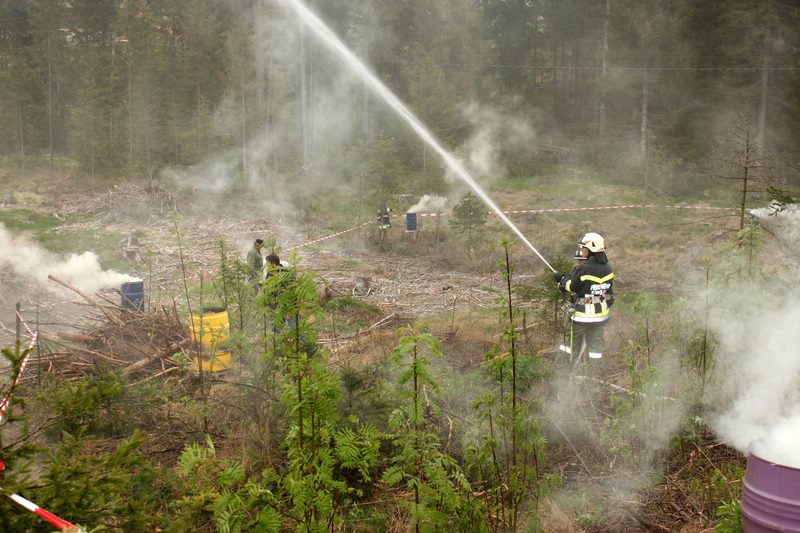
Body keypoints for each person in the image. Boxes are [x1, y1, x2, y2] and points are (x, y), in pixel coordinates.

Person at [553, 232, 614, 361]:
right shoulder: (608, 269)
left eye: (584, 248)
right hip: (600, 319)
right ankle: (593, 372)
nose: (582, 251)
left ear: (591, 249)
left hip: (581, 317)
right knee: (595, 352)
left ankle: (563, 371)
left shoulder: (584, 269)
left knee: (568, 348)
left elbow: (572, 287)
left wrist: (562, 280)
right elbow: (609, 295)